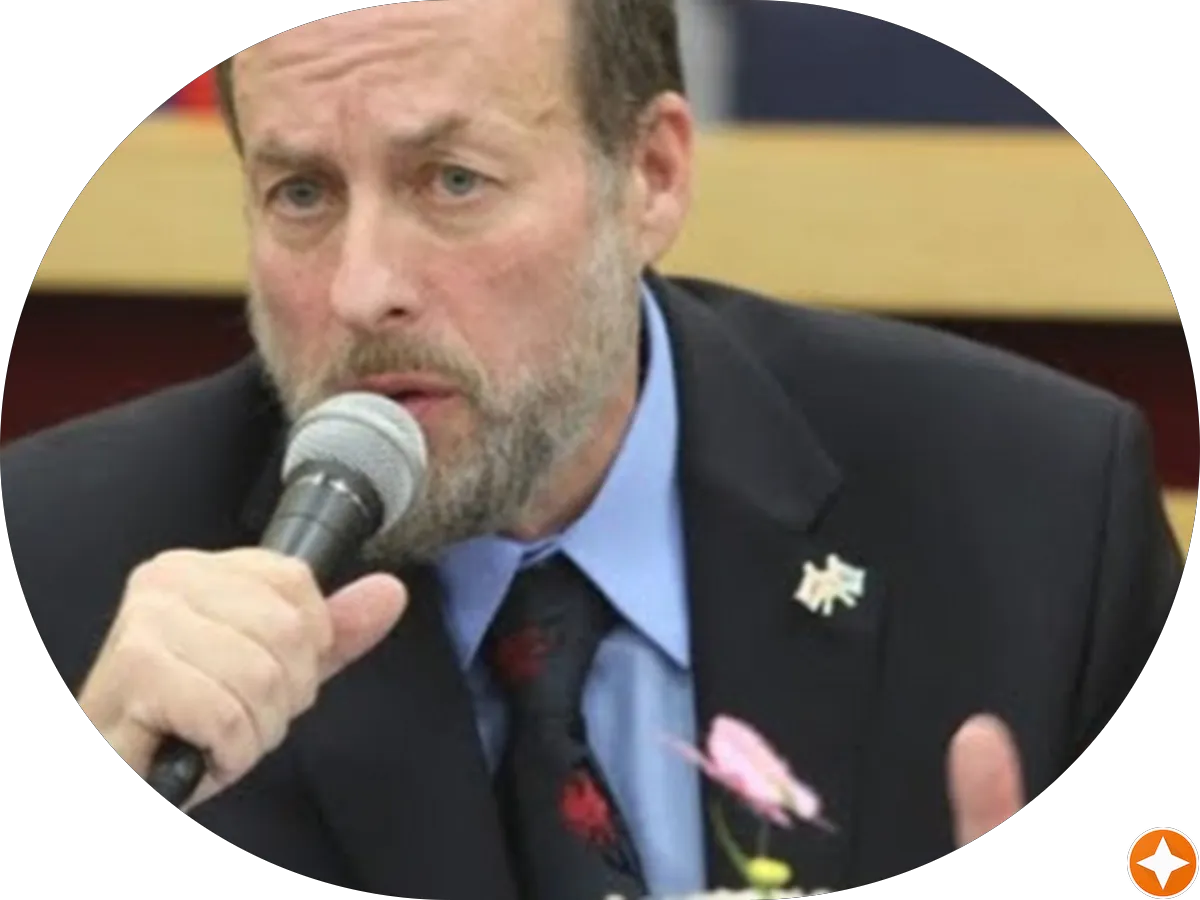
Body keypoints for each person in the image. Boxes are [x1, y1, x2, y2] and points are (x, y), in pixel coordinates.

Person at [0, 2, 1181, 898]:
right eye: (301, 193)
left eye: (452, 181)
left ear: (650, 176)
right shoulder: (70, 568)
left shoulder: (1035, 502)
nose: (362, 290)